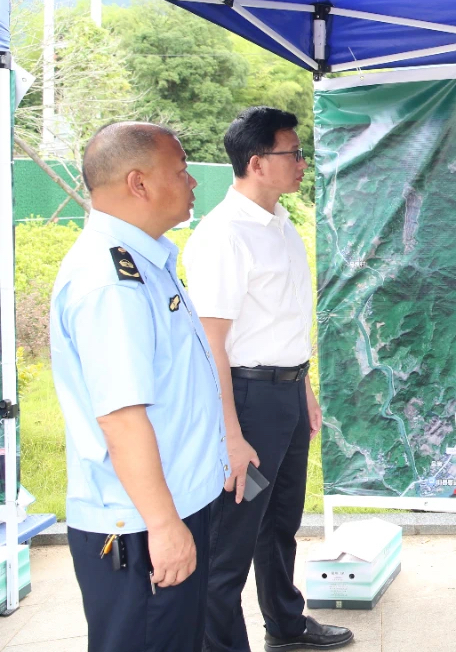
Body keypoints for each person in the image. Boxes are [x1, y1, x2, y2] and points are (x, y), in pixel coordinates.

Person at [50, 122, 229, 651]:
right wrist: (165, 525)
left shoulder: (146, 261)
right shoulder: (111, 282)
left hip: (168, 507)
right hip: (141, 525)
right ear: (139, 183)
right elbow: (121, 418)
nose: (192, 182)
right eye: (181, 170)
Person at [183, 107, 352, 651]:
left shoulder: (279, 223)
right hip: (248, 402)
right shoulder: (224, 235)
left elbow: (281, 323)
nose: (303, 163)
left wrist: (304, 388)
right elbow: (212, 345)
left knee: (280, 521)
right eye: (293, 154)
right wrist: (231, 435)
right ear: (257, 163)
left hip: (286, 396)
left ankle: (285, 624)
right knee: (231, 540)